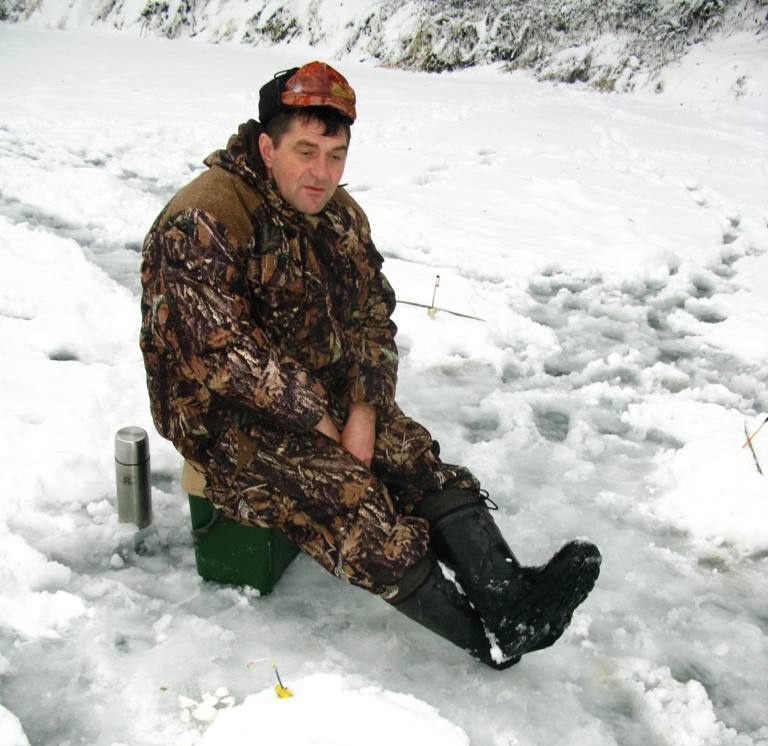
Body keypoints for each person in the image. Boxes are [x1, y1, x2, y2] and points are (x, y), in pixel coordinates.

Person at [139, 61, 601, 669]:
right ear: (265, 145)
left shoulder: (340, 215)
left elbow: (372, 316)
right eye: (305, 151)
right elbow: (217, 351)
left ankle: (509, 603)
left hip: (322, 392)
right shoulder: (205, 218)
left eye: (336, 155)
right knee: (355, 504)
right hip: (222, 416)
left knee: (415, 459)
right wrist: (323, 426)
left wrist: (364, 409)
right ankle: (483, 640)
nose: (321, 172)